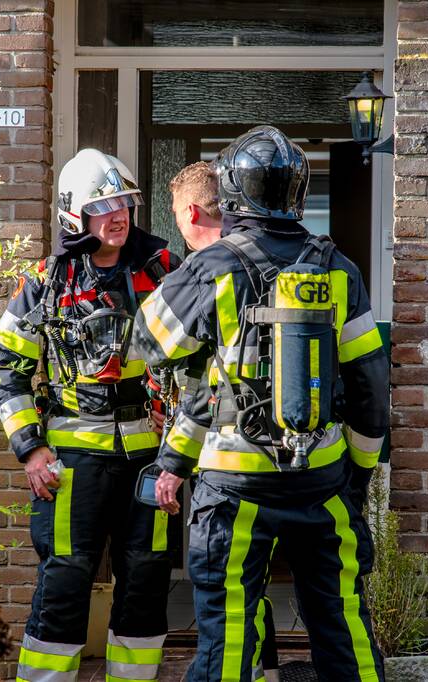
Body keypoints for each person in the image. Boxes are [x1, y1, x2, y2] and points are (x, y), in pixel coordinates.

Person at [134, 126, 389, 682]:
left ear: (230, 191)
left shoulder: (212, 267)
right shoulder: (337, 268)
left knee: (228, 631)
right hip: (322, 485)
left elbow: (148, 343)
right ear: (297, 191)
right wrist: (357, 477)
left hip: (233, 489)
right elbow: (370, 385)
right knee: (344, 623)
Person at [0, 148, 180, 682]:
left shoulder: (163, 268)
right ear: (76, 213)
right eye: (105, 204)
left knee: (146, 576)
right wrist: (30, 448)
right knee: (66, 578)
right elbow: (6, 365)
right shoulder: (47, 280)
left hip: (149, 457)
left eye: (125, 201)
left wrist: (181, 449)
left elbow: (201, 355)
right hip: (71, 461)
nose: (119, 213)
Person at [152, 161, 281, 682]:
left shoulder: (210, 271)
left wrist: (173, 463)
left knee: (227, 597)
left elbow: (148, 347)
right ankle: (266, 672)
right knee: (262, 588)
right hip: (310, 467)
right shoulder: (294, 258)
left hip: (234, 470)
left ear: (191, 212)